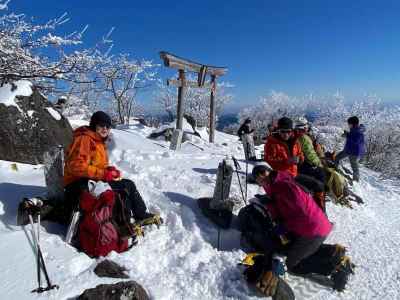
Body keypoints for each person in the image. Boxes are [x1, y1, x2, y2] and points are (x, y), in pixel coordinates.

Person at [248, 163, 354, 292]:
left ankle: (335, 265)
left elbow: (301, 213)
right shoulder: (279, 183)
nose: (261, 178)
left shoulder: (283, 186)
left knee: (293, 265)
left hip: (312, 229)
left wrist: (283, 227)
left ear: (269, 171)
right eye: (258, 178)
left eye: (262, 173)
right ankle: (334, 252)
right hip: (314, 226)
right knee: (295, 248)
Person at [62, 111, 155, 224]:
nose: (105, 128)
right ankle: (138, 216)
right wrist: (103, 174)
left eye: (108, 126)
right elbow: (76, 166)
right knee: (127, 186)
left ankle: (124, 218)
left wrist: (108, 170)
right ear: (94, 125)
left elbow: (95, 164)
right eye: (101, 125)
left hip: (88, 181)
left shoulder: (98, 141)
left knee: (124, 186)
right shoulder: (84, 139)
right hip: (77, 185)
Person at [294, 117, 326, 186]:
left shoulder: (295, 136)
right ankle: (320, 192)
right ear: (305, 128)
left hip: (297, 163)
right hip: (302, 165)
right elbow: (311, 155)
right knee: (322, 173)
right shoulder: (304, 138)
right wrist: (320, 164)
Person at [334, 116, 365, 182]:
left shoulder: (358, 131)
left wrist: (347, 135)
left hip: (354, 152)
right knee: (337, 158)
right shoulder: (355, 129)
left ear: (353, 124)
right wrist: (347, 134)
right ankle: (336, 170)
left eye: (349, 124)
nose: (348, 125)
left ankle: (356, 180)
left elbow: (356, 140)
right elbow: (352, 136)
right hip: (349, 149)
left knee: (354, 166)